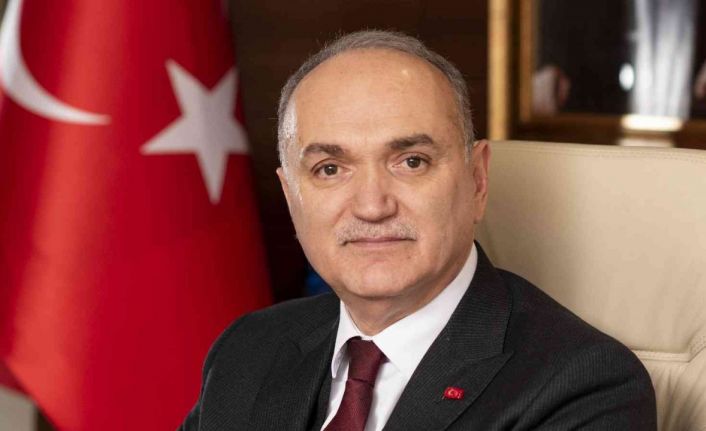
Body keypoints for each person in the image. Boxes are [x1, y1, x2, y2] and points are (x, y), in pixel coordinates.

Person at [179, 30, 656, 430]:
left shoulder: (583, 386)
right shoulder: (248, 351)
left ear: (477, 180)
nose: (372, 206)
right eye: (330, 169)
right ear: (291, 197)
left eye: (411, 161)